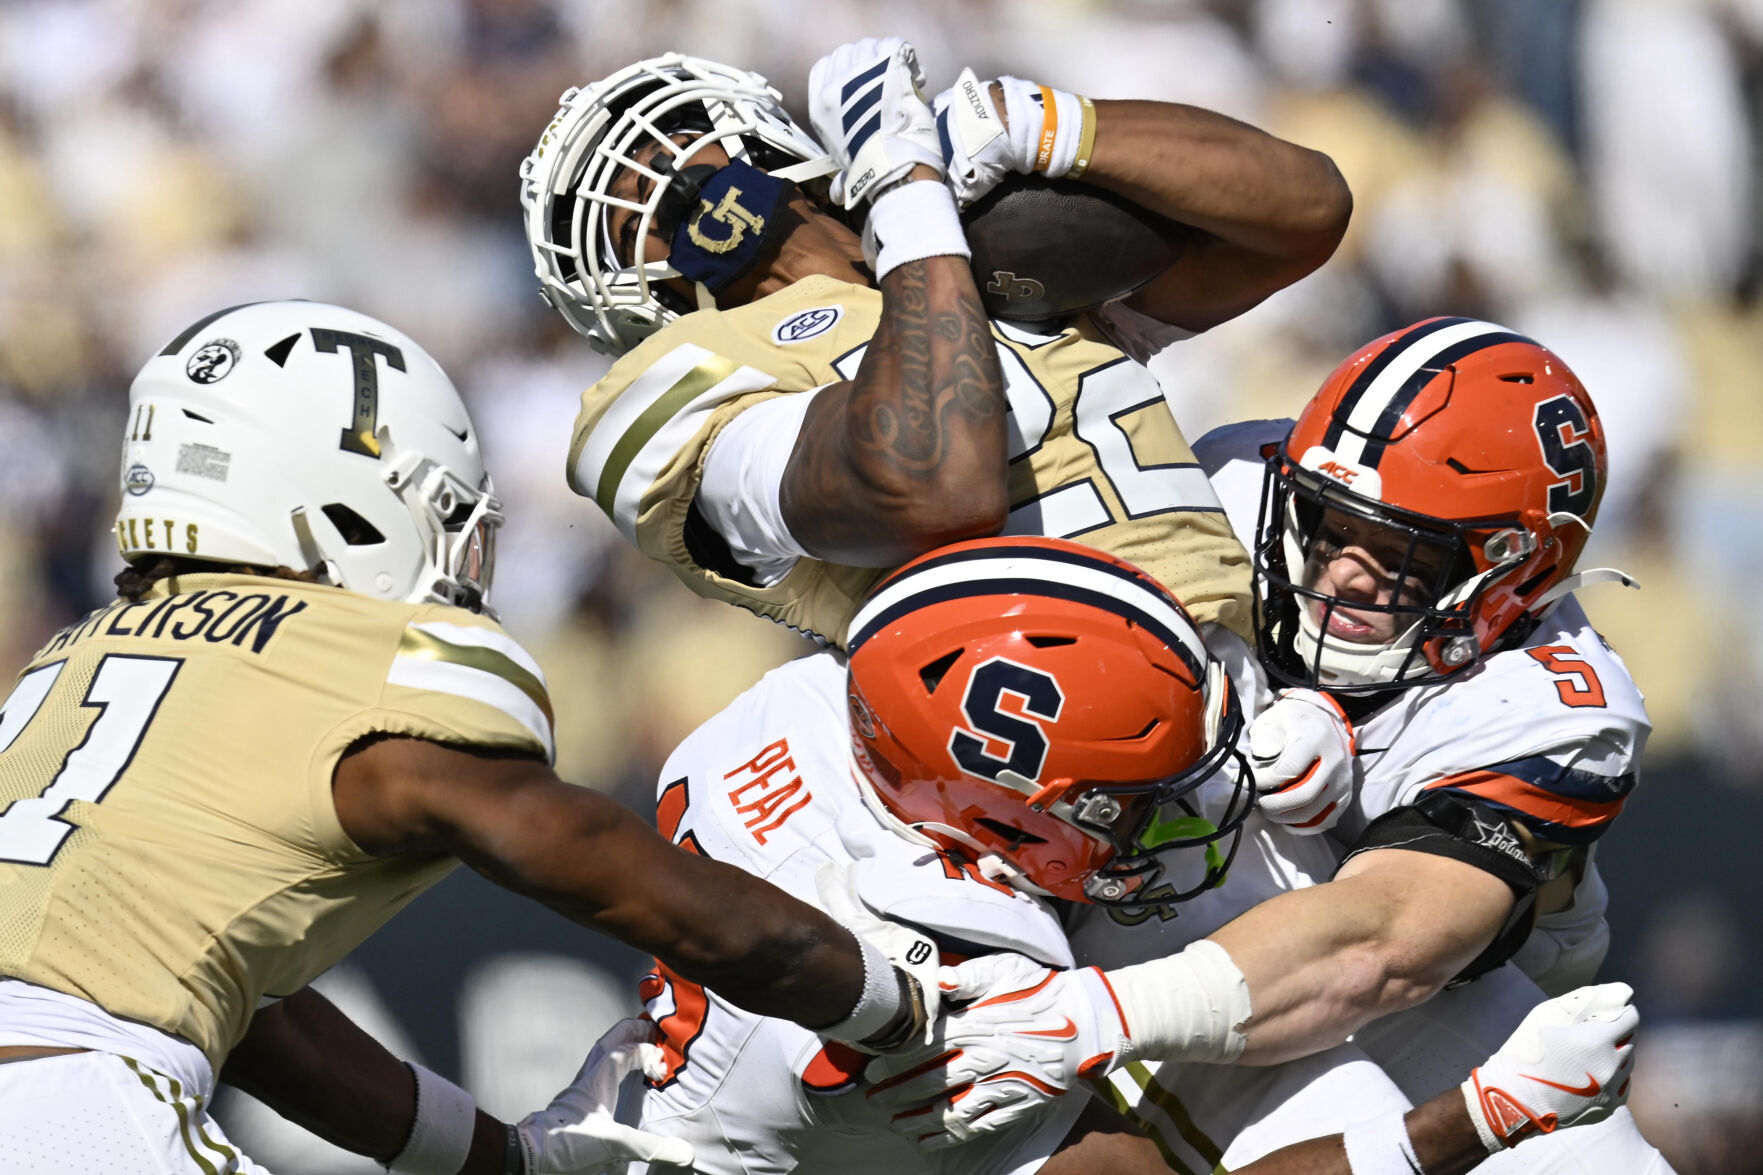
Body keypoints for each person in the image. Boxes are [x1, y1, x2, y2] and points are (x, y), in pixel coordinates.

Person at [0, 301, 955, 1175]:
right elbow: (574, 851)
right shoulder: (358, 656)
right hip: (65, 1095)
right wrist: (891, 1000)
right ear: (342, 495)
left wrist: (502, 1161)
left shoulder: (75, 655)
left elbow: (252, 1019)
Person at [878, 321, 1672, 1173]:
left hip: (1407, 941)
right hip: (1174, 868)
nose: (1341, 575)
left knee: (1595, 1160)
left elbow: (1381, 947)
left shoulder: (1552, 709)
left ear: (1515, 569)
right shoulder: (1232, 481)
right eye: (1330, 525)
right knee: (1341, 1108)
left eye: (1401, 552)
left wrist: (1088, 1016)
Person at [608, 533, 1639, 1175]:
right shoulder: (961, 969)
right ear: (1006, 818)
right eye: (1124, 806)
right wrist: (1472, 1119)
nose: (1171, 823)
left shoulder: (800, 713)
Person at [518, 38, 1352, 648]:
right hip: (1066, 755)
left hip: (1261, 669)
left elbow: (1304, 212)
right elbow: (933, 487)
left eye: (672, 134)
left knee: (1271, 453)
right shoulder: (682, 384)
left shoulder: (976, 233)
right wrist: (903, 193)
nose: (652, 180)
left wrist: (1041, 125)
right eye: (604, 201)